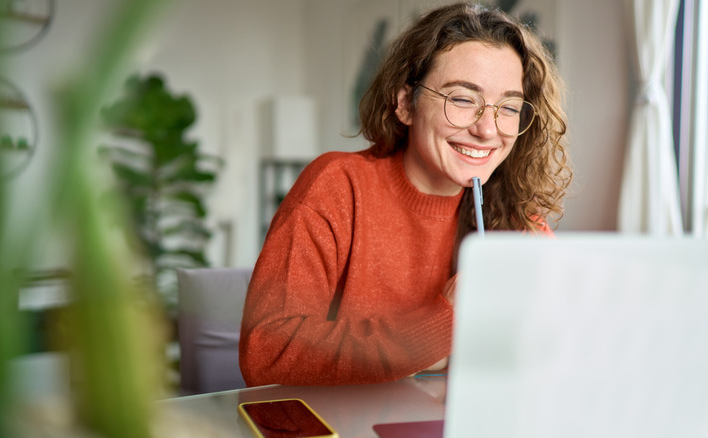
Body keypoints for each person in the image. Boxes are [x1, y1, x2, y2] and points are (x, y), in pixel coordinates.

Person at [239, 2, 571, 386]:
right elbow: (266, 353)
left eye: (508, 107)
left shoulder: (514, 214)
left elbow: (557, 347)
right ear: (404, 104)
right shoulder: (337, 186)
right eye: (462, 99)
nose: (487, 129)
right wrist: (444, 321)